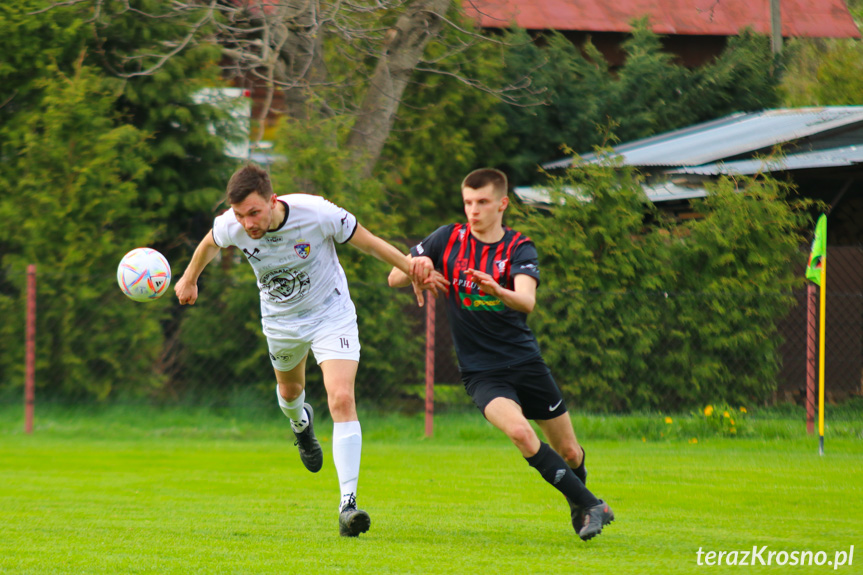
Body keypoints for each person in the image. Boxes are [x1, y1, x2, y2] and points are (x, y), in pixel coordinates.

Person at [175, 163, 421, 537]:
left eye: (254, 212)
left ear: (273, 201)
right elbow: (210, 242)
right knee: (290, 395)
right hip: (281, 323)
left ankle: (347, 504)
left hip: (331, 314)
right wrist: (189, 278)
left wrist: (411, 268)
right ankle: (300, 424)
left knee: (340, 398)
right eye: (240, 215)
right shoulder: (232, 225)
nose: (248, 223)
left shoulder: (317, 213)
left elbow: (369, 243)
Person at [388, 168, 614, 541]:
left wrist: (497, 290)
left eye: (482, 203)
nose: (473, 211)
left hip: (526, 363)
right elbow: (394, 277)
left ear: (502, 204)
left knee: (571, 453)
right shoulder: (447, 238)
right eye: (467, 203)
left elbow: (526, 301)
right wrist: (419, 266)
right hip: (481, 372)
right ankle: (593, 506)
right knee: (522, 435)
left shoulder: (519, 248)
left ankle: (584, 502)